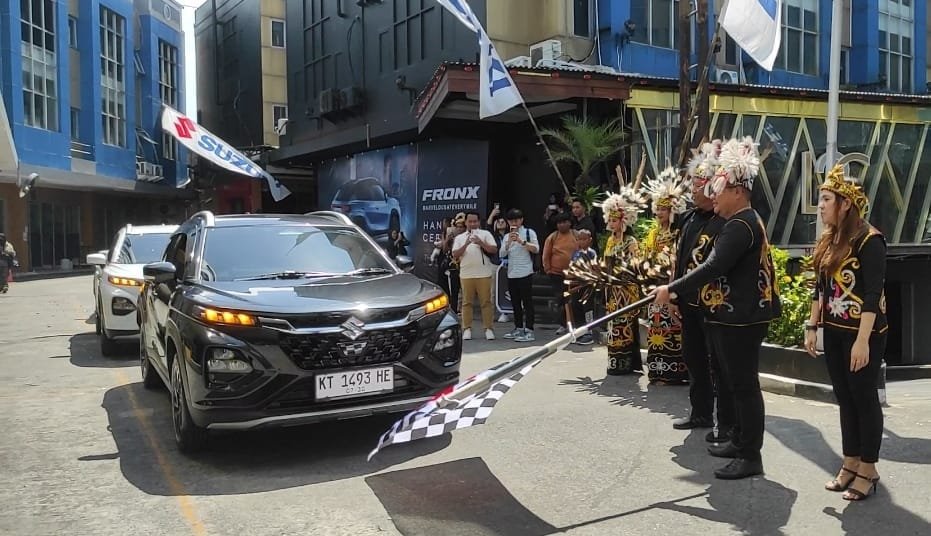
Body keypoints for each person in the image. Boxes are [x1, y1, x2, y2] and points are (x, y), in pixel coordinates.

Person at [654, 136, 780, 480]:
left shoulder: (740, 225)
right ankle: (739, 441)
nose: (714, 195)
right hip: (728, 317)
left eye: (719, 189)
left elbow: (712, 267)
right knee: (736, 384)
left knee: (743, 387)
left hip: (741, 318)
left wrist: (671, 289)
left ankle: (750, 455)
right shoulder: (737, 221)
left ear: (738, 191)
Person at [806, 164, 887, 502]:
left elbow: (873, 293)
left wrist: (863, 341)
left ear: (846, 204)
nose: (820, 205)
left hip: (863, 334)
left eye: (826, 199)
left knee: (864, 398)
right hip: (835, 332)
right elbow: (820, 288)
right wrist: (812, 326)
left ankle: (868, 467)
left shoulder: (870, 239)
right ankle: (850, 459)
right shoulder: (830, 239)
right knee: (844, 396)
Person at [671, 140, 733, 443]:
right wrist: (673, 293)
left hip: (713, 305)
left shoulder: (724, 221)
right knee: (693, 357)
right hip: (688, 302)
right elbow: (679, 259)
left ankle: (726, 422)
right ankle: (700, 412)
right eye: (692, 183)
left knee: (719, 364)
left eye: (697, 184)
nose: (692, 190)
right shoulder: (690, 218)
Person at [641, 166, 690, 384]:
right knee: (656, 329)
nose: (660, 213)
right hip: (656, 288)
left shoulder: (679, 233)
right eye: (658, 209)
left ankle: (676, 372)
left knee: (674, 329)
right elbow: (647, 256)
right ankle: (658, 370)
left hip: (672, 286)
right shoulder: (654, 233)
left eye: (664, 209)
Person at [601, 189, 645, 375]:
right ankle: (615, 361)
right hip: (612, 290)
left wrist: (622, 272)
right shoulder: (610, 241)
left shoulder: (631, 241)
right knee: (614, 325)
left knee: (624, 324)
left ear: (624, 221)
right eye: (609, 220)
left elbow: (638, 265)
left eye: (614, 220)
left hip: (627, 290)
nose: (611, 223)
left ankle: (625, 363)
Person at [452, 211, 499, 341]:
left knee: (486, 302)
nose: (472, 224)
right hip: (466, 274)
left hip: (484, 273)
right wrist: (466, 243)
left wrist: (481, 243)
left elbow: (494, 250)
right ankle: (467, 328)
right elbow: (455, 254)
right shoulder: (460, 238)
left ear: (479, 222)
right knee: (467, 303)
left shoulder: (485, 234)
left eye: (475, 221)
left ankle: (488, 329)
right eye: (470, 221)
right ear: (466, 222)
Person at [500, 208, 539, 343]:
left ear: (521, 220)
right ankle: (518, 327)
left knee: (527, 302)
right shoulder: (506, 236)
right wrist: (509, 242)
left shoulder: (529, 232)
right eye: (511, 220)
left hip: (526, 272)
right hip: (512, 273)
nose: (513, 223)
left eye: (516, 220)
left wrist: (522, 241)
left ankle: (529, 330)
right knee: (515, 303)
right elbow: (501, 254)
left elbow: (536, 249)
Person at [542, 213, 579, 335]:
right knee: (561, 299)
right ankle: (563, 324)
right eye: (559, 223)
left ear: (570, 223)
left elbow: (582, 251)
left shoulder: (576, 235)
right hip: (556, 274)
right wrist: (548, 269)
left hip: (574, 274)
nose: (562, 225)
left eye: (564, 222)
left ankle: (573, 324)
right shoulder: (553, 237)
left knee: (572, 300)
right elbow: (546, 255)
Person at [570, 229, 597, 345]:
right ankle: (579, 332)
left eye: (584, 239)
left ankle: (589, 333)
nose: (581, 242)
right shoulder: (575, 253)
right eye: (579, 239)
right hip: (576, 285)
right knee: (576, 307)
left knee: (588, 309)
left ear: (589, 240)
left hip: (588, 285)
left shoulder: (591, 253)